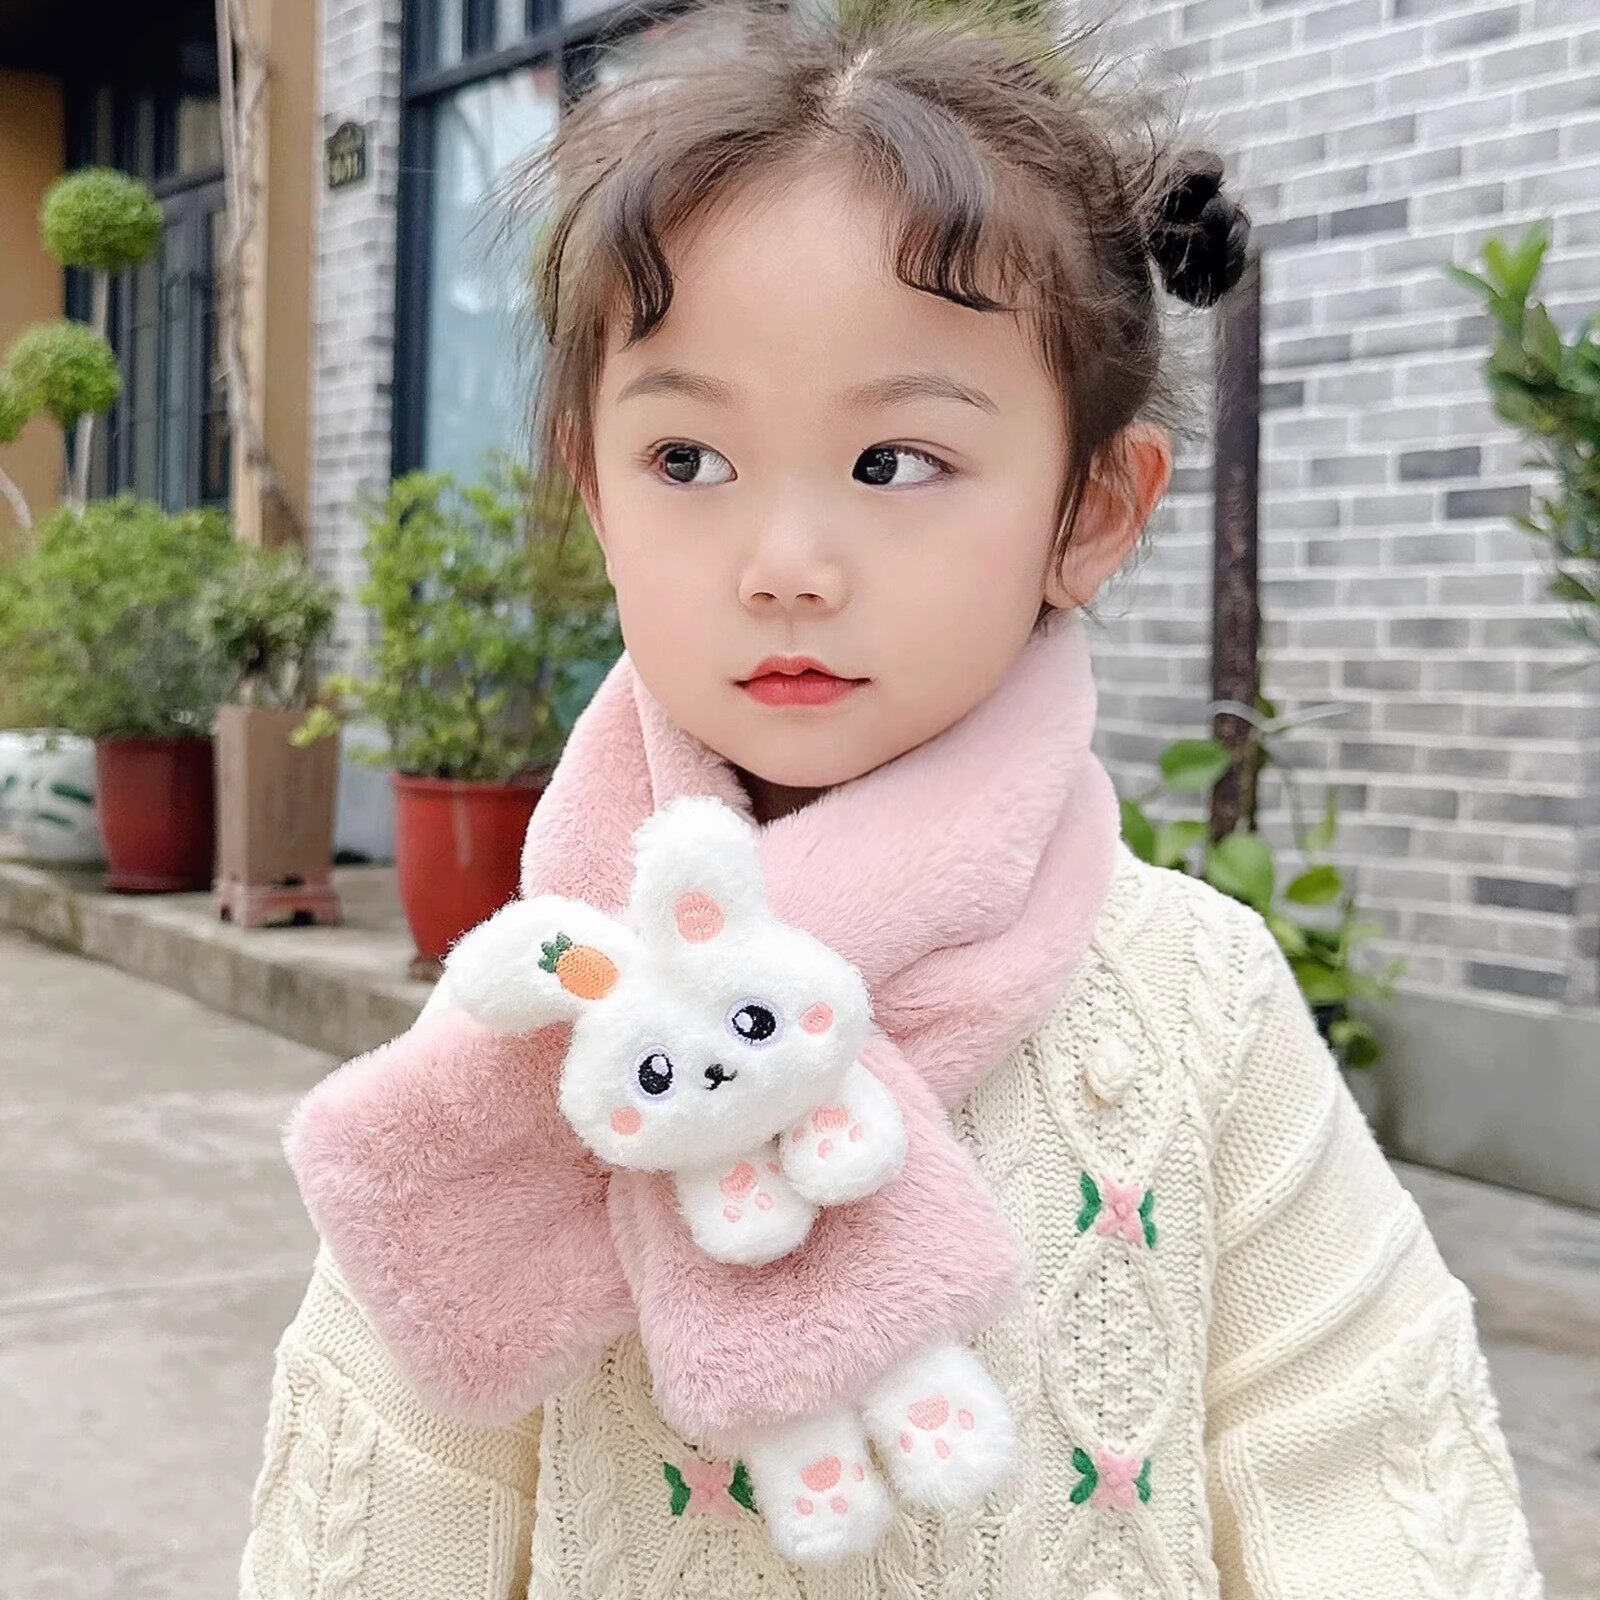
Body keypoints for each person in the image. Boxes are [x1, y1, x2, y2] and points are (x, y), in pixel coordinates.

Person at [239, 2, 1545, 1596]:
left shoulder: (1197, 1005)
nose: (785, 565)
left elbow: (1370, 1478)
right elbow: (379, 1514)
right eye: (688, 461)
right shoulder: (534, 1034)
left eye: (894, 463)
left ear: (1093, 509)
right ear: (596, 489)